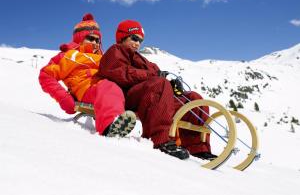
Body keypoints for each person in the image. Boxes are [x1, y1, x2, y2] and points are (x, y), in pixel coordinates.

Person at [99, 19, 217, 160]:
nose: (137, 43)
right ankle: (160, 140)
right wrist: (155, 76)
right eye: (134, 38)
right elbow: (119, 73)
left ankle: (197, 148)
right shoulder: (115, 51)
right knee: (159, 84)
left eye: (140, 41)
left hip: (153, 98)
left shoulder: (143, 60)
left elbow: (157, 78)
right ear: (122, 36)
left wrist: (172, 86)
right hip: (128, 97)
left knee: (193, 99)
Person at [39, 13, 136, 138]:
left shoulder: (103, 57)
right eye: (90, 39)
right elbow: (45, 75)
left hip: (110, 90)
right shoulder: (69, 55)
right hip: (88, 89)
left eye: (97, 40)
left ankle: (161, 139)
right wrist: (63, 98)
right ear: (80, 38)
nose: (95, 43)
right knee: (108, 87)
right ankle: (109, 127)